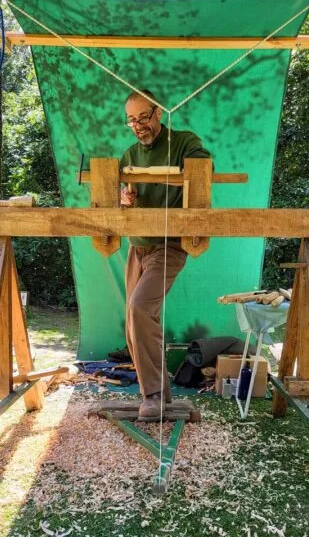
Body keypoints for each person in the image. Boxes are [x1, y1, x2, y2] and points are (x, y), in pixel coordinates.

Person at [120, 89, 212, 421]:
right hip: (137, 247)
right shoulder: (129, 153)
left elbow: (203, 165)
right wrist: (124, 199)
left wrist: (173, 175)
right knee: (133, 324)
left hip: (169, 246)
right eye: (131, 120)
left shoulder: (184, 142)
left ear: (159, 113)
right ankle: (162, 394)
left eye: (143, 117)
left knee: (140, 308)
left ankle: (154, 396)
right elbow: (120, 195)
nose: (138, 126)